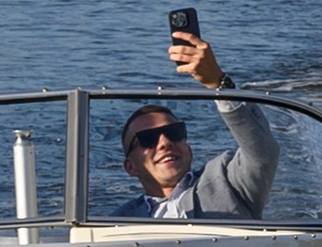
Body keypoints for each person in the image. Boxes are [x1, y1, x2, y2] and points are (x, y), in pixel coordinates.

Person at [115, 22, 277, 220]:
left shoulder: (227, 181)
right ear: (130, 166)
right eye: (148, 138)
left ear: (189, 151)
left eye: (175, 133)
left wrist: (218, 82)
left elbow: (263, 153)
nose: (165, 143)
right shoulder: (118, 221)